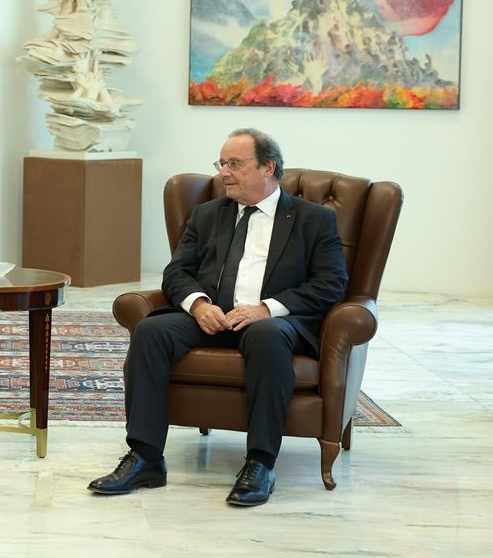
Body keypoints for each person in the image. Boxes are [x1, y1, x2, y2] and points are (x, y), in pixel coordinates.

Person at [88, 128, 347, 506]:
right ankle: (145, 457)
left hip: (271, 322)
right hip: (211, 317)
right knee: (151, 330)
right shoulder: (208, 214)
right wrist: (198, 305)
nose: (224, 172)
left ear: (268, 167)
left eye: (235, 164)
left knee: (266, 335)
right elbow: (177, 272)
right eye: (222, 163)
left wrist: (266, 308)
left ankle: (260, 463)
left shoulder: (313, 219)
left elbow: (331, 283)